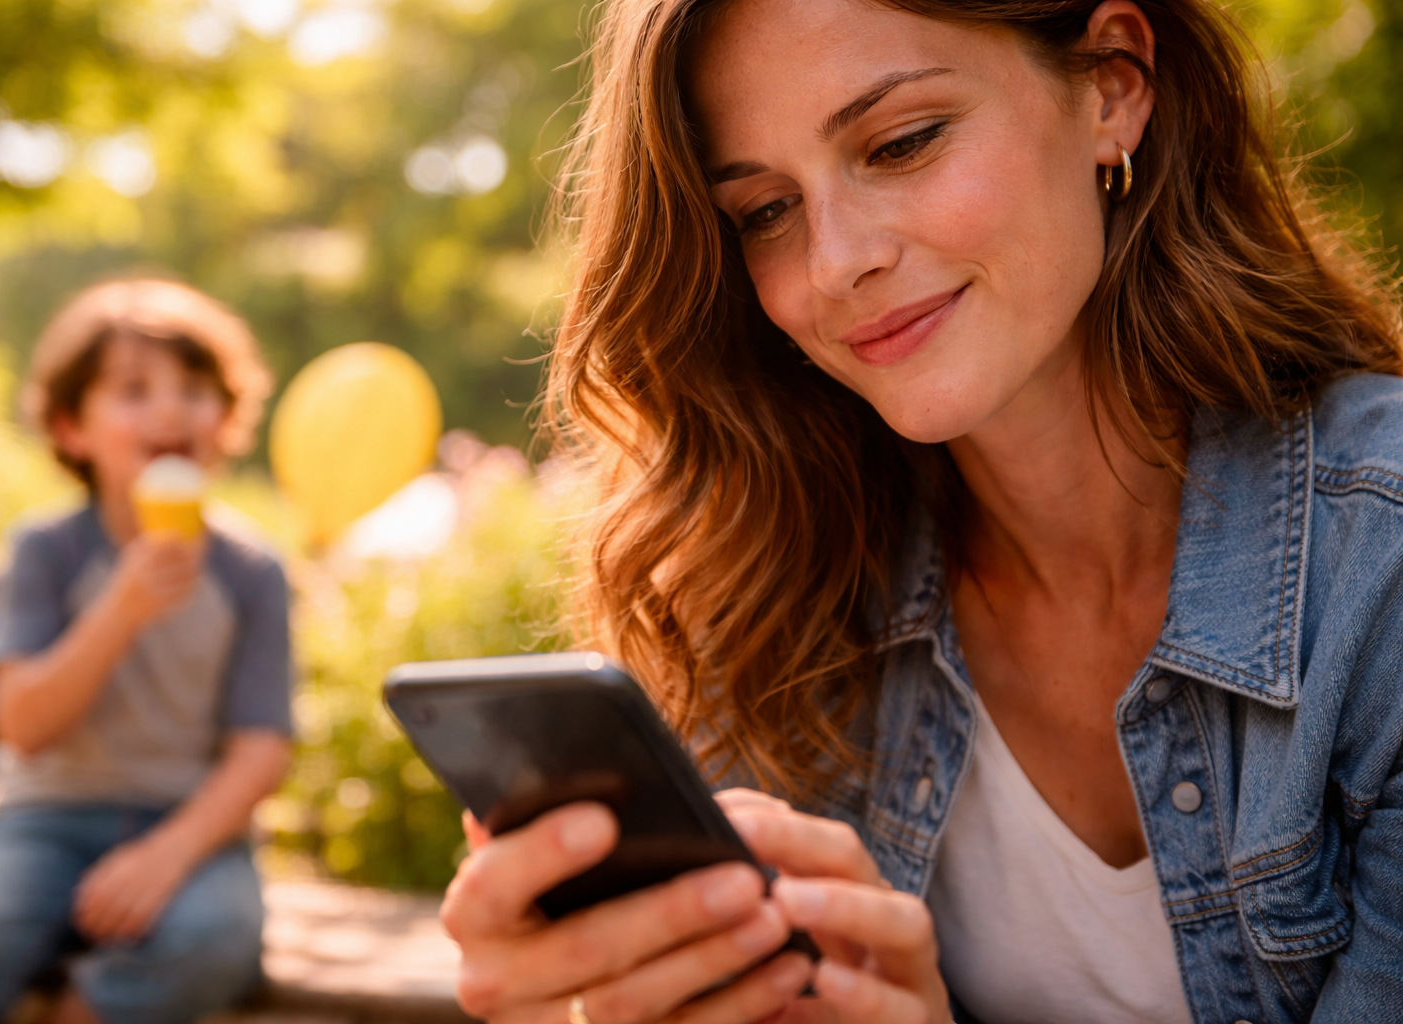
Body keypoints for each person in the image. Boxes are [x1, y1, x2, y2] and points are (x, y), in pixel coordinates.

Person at [441, 2, 1403, 1023]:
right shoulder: (779, 593)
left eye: (901, 143)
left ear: (1112, 87)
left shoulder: (1377, 565)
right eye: (764, 211)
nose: (833, 262)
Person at [0, 279, 294, 1024]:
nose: (169, 409)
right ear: (72, 430)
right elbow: (23, 724)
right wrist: (121, 609)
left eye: (194, 389)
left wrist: (168, 854)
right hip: (44, 818)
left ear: (226, 419)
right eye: (134, 390)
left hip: (189, 826)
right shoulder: (47, 552)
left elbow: (261, 749)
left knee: (217, 939)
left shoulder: (251, 571)